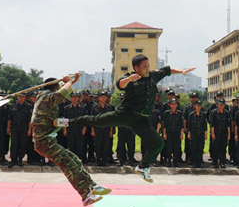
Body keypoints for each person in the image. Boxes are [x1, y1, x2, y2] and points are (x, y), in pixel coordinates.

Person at [56, 55, 195, 182]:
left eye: (148, 66)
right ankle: (67, 122)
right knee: (97, 120)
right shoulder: (131, 78)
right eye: (144, 67)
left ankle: (143, 167)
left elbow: (168, 70)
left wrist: (182, 72)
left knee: (158, 143)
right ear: (136, 68)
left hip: (142, 120)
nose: (147, 69)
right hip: (126, 114)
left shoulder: (153, 76)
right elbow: (120, 84)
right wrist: (129, 79)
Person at [32, 73, 111, 206]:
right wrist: (69, 82)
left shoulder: (45, 100)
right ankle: (86, 195)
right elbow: (61, 93)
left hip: (48, 142)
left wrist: (72, 82)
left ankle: (92, 186)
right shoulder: (46, 97)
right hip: (45, 142)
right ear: (54, 89)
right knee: (70, 164)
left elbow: (61, 94)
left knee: (74, 160)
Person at [7, 93, 33, 167]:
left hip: (24, 127)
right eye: (20, 97)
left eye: (23, 97)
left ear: (25, 97)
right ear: (17, 97)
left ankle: (20, 159)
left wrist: (29, 130)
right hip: (14, 127)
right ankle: (13, 160)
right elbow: (9, 118)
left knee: (23, 144)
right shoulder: (13, 105)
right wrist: (8, 127)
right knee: (14, 143)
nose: (21, 98)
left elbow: (29, 120)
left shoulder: (28, 106)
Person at [63, 92, 87, 161]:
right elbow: (64, 120)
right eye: (73, 97)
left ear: (78, 98)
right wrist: (65, 130)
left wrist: (84, 128)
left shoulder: (82, 108)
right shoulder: (67, 108)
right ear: (70, 98)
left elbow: (85, 119)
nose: (75, 99)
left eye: (76, 97)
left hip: (79, 129)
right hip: (70, 130)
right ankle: (72, 161)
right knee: (71, 146)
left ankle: (78, 160)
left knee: (79, 146)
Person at [162, 98, 184, 167]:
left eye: (175, 104)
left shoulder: (179, 113)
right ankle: (169, 161)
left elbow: (182, 125)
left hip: (177, 133)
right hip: (169, 133)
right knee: (169, 148)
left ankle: (176, 162)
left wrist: (181, 134)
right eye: (172, 104)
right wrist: (164, 134)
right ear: (170, 105)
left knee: (177, 148)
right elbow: (164, 125)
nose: (174, 106)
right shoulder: (166, 113)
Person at [210, 98, 230, 168]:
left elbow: (228, 125)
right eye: (220, 104)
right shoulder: (214, 113)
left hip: (224, 132)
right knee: (216, 148)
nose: (221, 106)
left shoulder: (227, 113)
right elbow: (212, 124)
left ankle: (222, 162)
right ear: (217, 105)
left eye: (223, 104)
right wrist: (212, 133)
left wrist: (229, 134)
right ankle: (215, 162)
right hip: (216, 132)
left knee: (223, 148)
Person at [187, 99, 207, 168]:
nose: (198, 107)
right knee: (194, 148)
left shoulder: (203, 115)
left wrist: (206, 134)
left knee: (200, 148)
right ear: (195, 106)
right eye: (197, 106)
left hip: (201, 134)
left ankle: (199, 162)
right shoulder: (191, 115)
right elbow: (189, 125)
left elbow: (205, 125)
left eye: (199, 106)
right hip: (194, 134)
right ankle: (194, 162)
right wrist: (189, 134)